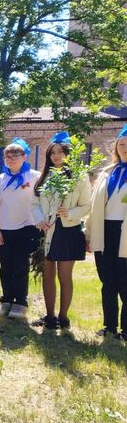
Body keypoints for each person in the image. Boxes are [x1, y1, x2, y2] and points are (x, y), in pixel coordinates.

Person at [31, 132, 92, 330]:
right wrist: (40, 219)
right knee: (47, 274)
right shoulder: (44, 177)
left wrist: (69, 212)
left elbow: (86, 206)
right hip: (47, 231)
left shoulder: (79, 177)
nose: (56, 156)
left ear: (69, 154)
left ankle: (63, 317)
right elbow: (34, 202)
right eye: (52, 153)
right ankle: (49, 317)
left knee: (64, 277)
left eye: (61, 152)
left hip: (68, 231)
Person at [0, 139, 41, 320]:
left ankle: (20, 303)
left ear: (24, 157)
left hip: (27, 227)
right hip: (5, 228)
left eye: (14, 156)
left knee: (20, 265)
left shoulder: (35, 176)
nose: (10, 160)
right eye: (7, 157)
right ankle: (6, 300)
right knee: (6, 266)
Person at [86, 126, 127, 337]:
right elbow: (94, 207)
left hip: (125, 233)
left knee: (125, 281)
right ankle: (109, 326)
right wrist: (89, 234)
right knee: (108, 281)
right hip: (105, 231)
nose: (125, 148)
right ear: (116, 147)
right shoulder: (106, 173)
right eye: (122, 144)